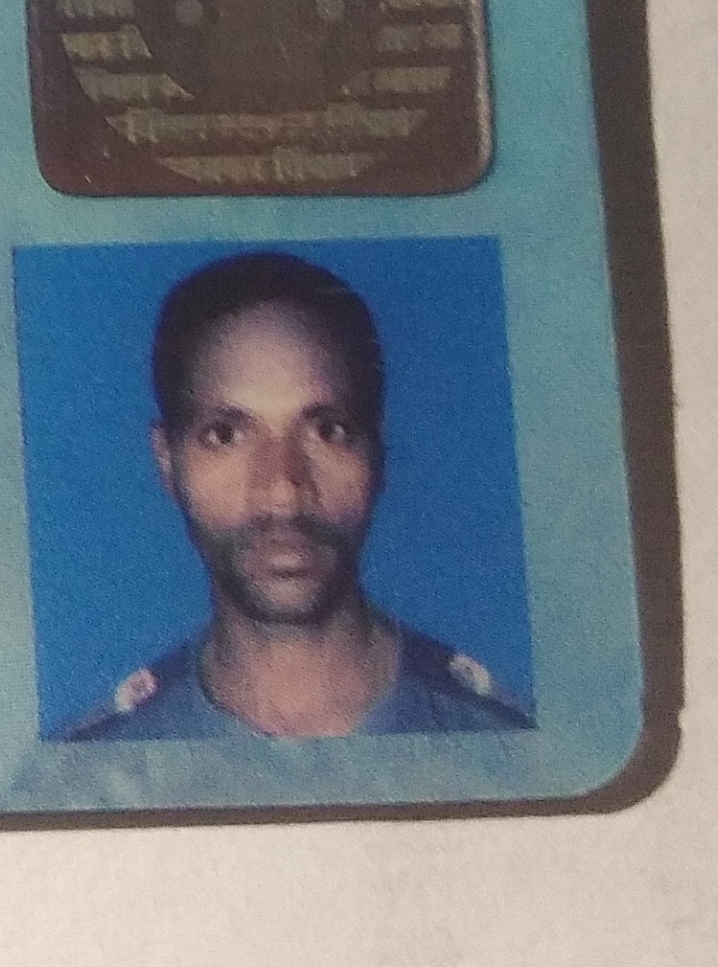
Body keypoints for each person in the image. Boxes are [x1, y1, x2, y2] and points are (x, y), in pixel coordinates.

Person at [64, 251, 526, 739]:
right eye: (226, 435)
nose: (283, 492)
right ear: (167, 463)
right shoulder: (88, 770)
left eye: (328, 430)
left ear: (377, 451)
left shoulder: (506, 746)